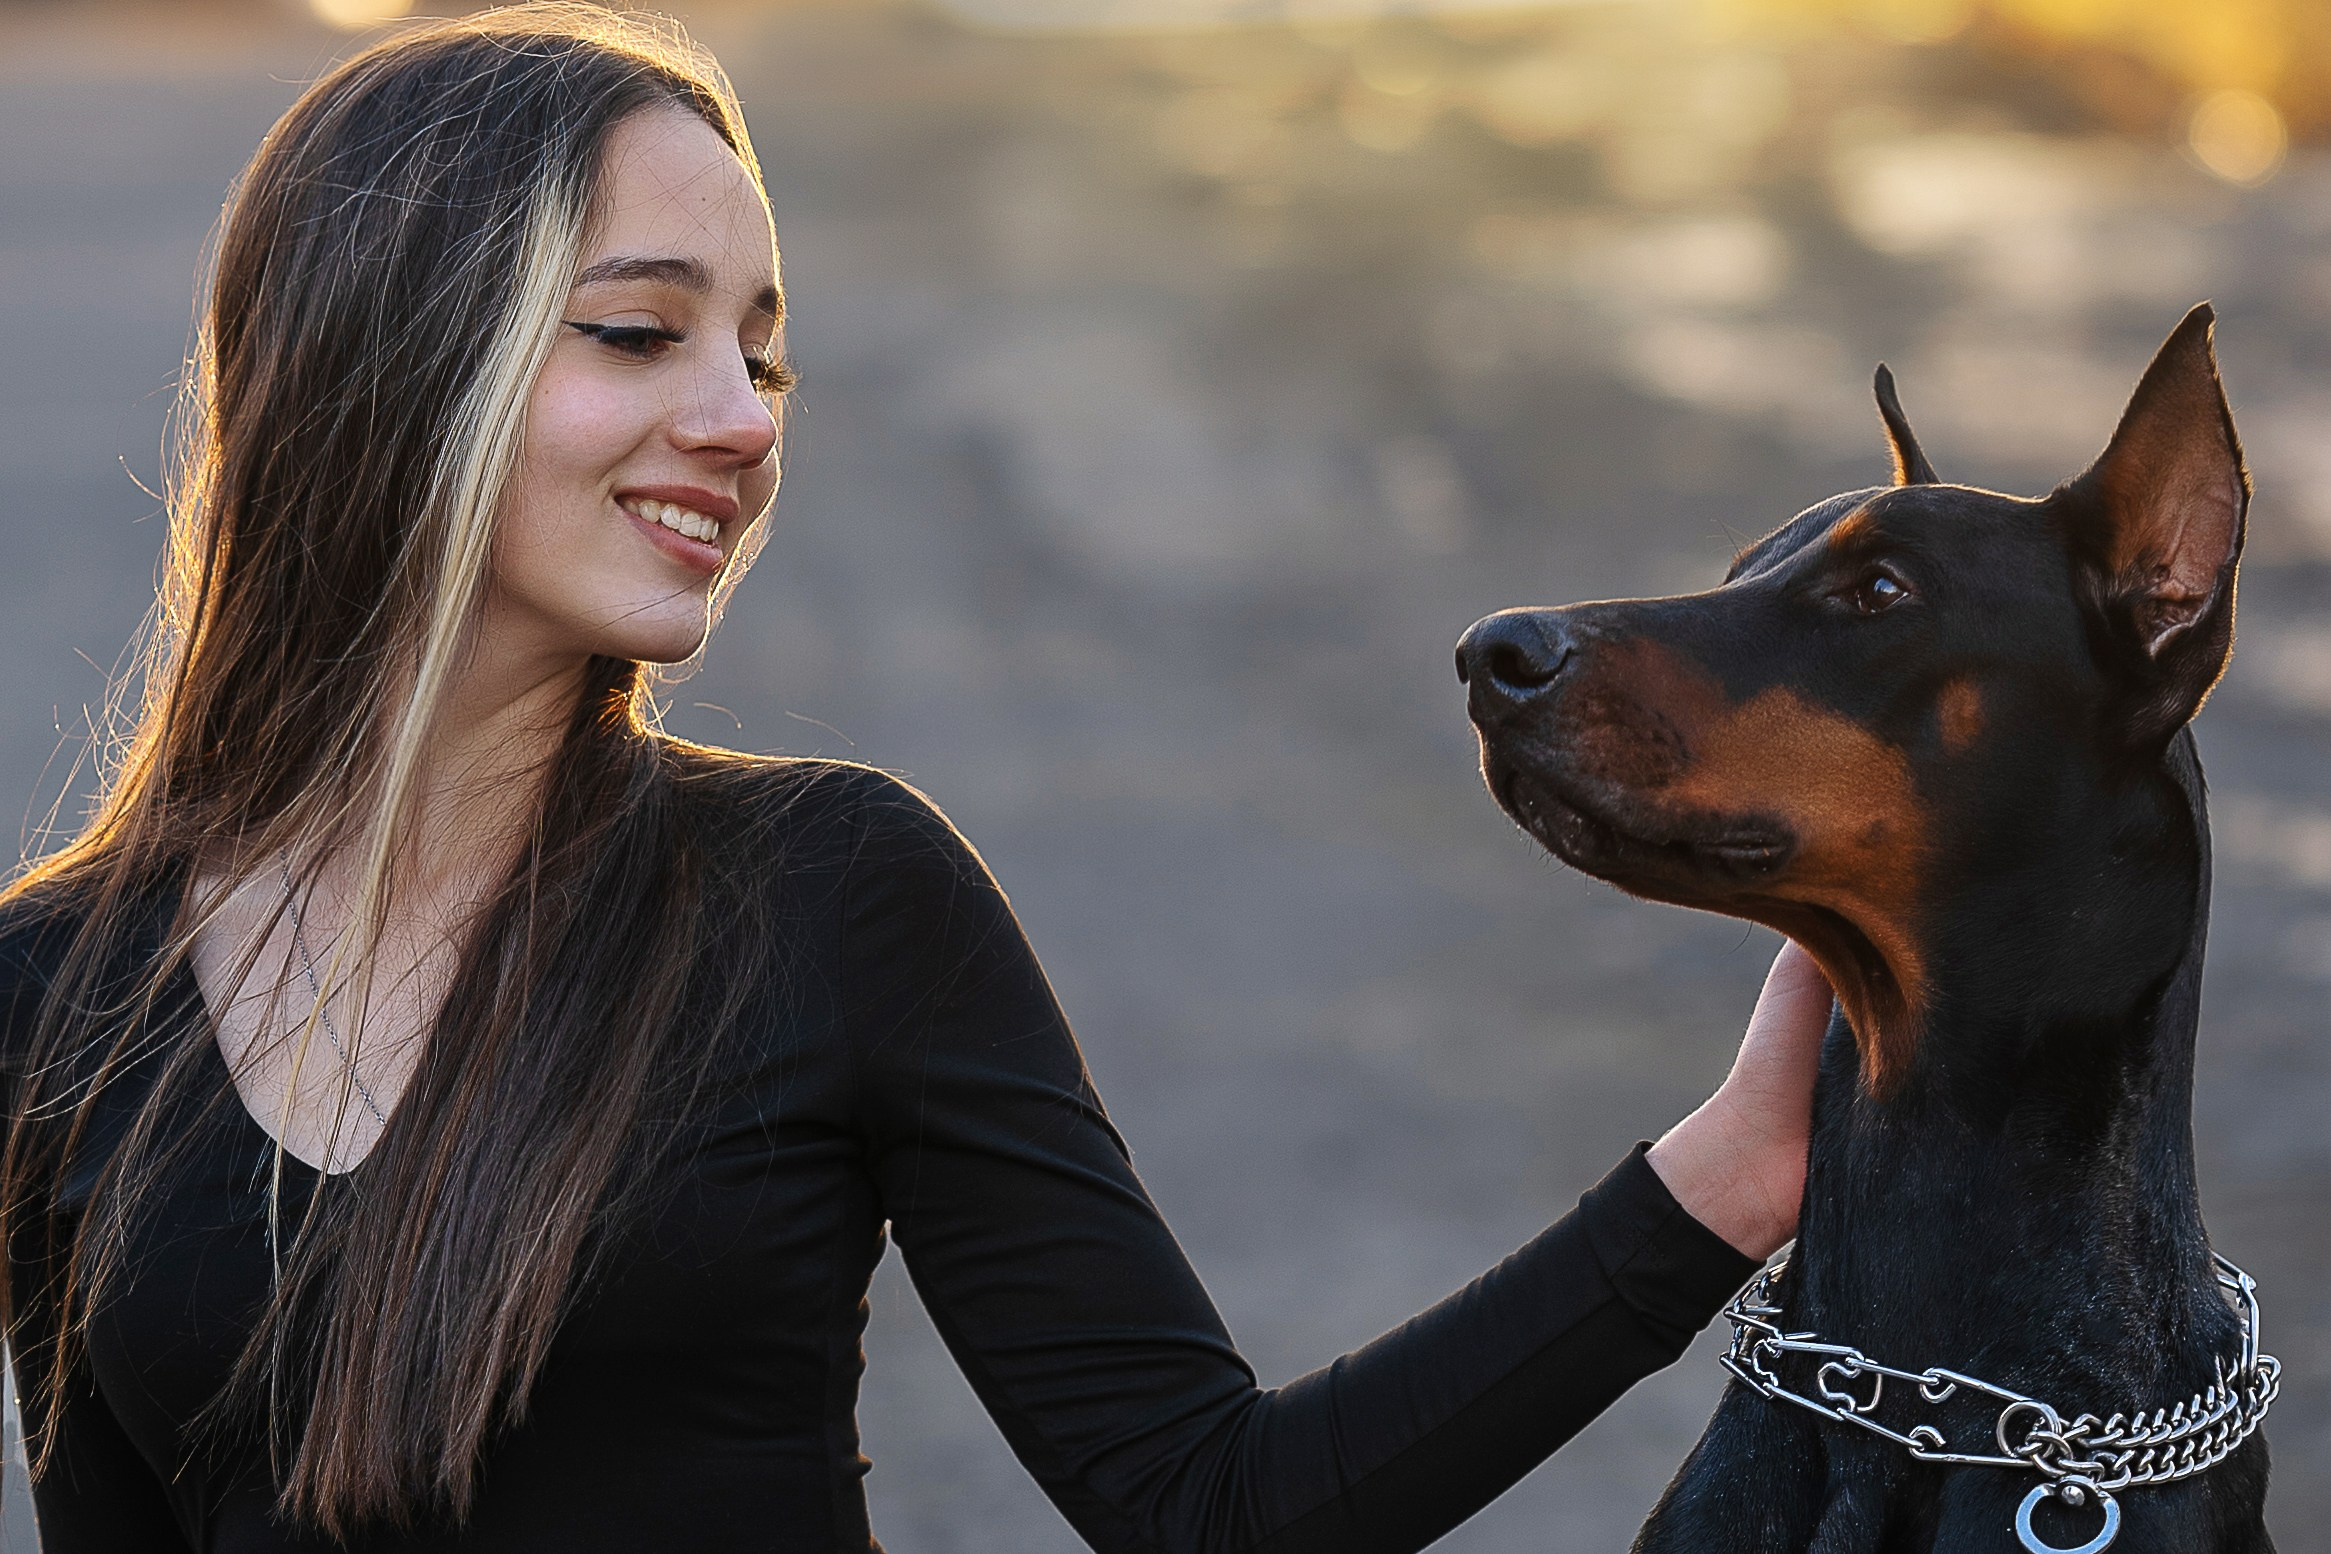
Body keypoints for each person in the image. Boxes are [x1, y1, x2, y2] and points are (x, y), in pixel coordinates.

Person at [0, 7, 1836, 1551]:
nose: (742, 414)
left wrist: (1724, 1182)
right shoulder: (52, 995)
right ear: (388, 363)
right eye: (644, 330)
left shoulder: (831, 891)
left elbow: (1213, 1501)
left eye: (763, 349)